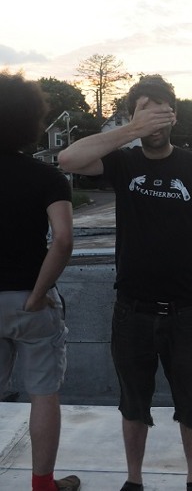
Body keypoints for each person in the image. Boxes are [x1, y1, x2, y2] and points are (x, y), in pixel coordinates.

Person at [58, 74, 192, 491]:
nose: (152, 117)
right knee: (133, 403)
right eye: (143, 109)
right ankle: (134, 480)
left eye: (159, 109)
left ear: (173, 115)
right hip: (131, 310)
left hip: (186, 312)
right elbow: (68, 160)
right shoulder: (124, 163)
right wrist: (131, 130)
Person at [0, 72, 79, 491]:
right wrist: (38, 292)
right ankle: (42, 484)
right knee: (44, 394)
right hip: (30, 302)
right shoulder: (47, 178)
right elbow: (63, 239)